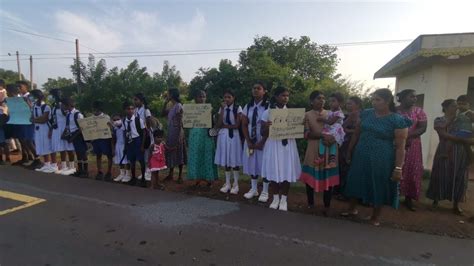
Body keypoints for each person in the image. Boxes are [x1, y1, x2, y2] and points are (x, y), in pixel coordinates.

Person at [343, 88, 411, 226]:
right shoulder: (367, 114)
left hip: (382, 157)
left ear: (387, 101)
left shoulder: (397, 120)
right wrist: (350, 151)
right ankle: (352, 209)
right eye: (373, 99)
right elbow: (356, 134)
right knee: (355, 179)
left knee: (378, 183)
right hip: (361, 153)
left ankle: (375, 216)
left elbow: (400, 146)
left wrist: (398, 167)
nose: (374, 102)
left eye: (377, 100)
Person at [426, 99, 471, 215]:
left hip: (461, 152)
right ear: (445, 107)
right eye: (453, 106)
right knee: (441, 174)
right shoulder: (439, 120)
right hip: (444, 150)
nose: (456, 108)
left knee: (460, 176)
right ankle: (435, 201)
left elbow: (469, 132)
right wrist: (463, 139)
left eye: (456, 106)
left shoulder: (463, 120)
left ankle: (456, 205)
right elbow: (443, 134)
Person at [261, 86, 301, 211]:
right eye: (283, 95)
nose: (285, 98)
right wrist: (267, 126)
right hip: (273, 145)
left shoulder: (293, 113)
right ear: (276, 97)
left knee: (286, 171)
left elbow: (298, 132)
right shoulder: (268, 112)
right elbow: (262, 133)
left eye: (287, 96)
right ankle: (275, 198)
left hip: (288, 145)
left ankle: (284, 199)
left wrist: (300, 125)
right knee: (273, 171)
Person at [299, 91, 339, 215]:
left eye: (323, 98)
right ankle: (311, 203)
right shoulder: (306, 115)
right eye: (318, 98)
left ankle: (327, 205)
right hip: (313, 148)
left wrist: (333, 138)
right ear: (311, 101)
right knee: (310, 178)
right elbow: (306, 134)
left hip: (330, 149)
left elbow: (339, 129)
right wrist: (322, 135)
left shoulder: (331, 114)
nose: (321, 100)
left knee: (328, 177)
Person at [396, 89, 427, 211]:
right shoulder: (395, 111)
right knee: (397, 168)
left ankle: (408, 199)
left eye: (415, 97)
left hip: (413, 145)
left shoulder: (419, 111)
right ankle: (392, 197)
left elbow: (423, 128)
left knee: (412, 170)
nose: (414, 99)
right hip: (396, 143)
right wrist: (400, 137)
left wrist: (408, 136)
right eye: (411, 96)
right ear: (402, 98)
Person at [242, 82, 271, 202]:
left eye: (258, 88)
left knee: (264, 164)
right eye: (253, 88)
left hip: (264, 139)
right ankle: (254, 189)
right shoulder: (248, 106)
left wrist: (262, 141)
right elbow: (244, 124)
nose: (255, 90)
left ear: (264, 91)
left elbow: (270, 125)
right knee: (252, 163)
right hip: (250, 139)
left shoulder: (269, 106)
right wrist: (248, 140)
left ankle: (265, 190)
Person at [186, 90, 218, 188]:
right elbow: (186, 123)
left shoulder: (209, 109)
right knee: (196, 155)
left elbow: (214, 124)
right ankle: (198, 178)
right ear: (196, 98)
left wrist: (213, 136)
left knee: (207, 155)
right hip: (195, 135)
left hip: (206, 135)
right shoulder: (190, 109)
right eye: (200, 96)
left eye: (204, 96)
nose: (202, 98)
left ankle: (209, 179)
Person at [215, 89, 243, 194]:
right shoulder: (222, 108)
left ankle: (236, 184)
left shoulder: (237, 108)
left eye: (229, 97)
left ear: (233, 98)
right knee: (226, 159)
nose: (226, 99)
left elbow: (237, 125)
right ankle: (227, 183)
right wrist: (222, 110)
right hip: (223, 136)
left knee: (234, 159)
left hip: (234, 136)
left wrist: (225, 126)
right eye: (225, 97)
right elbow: (218, 124)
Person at [337, 96, 362, 197]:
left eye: (350, 103)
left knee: (346, 166)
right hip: (355, 141)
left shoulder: (354, 114)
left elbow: (343, 127)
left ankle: (344, 192)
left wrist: (351, 131)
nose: (348, 106)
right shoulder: (363, 114)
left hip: (350, 142)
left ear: (358, 105)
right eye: (347, 104)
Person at [48, 89, 76, 175]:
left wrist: (59, 105)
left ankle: (72, 166)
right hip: (57, 129)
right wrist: (51, 129)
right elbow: (53, 118)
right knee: (61, 148)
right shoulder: (53, 106)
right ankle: (64, 166)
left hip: (65, 128)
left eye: (53, 96)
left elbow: (66, 114)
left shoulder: (64, 104)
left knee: (69, 148)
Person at [162, 88, 187, 184]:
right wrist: (165, 103)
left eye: (168, 94)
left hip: (177, 131)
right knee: (171, 152)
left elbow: (180, 121)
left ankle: (180, 175)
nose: (167, 95)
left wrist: (179, 134)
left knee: (179, 151)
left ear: (172, 95)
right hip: (171, 131)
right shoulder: (171, 106)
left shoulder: (179, 106)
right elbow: (163, 113)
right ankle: (171, 174)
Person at [14, 81, 41, 169]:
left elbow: (34, 107)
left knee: (29, 140)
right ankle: (28, 157)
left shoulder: (30, 96)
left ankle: (38, 159)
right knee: (23, 140)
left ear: (26, 87)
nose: (18, 88)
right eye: (17, 87)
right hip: (22, 120)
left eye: (20, 86)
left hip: (29, 121)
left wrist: (26, 102)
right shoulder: (19, 97)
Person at [315, 92, 345, 169]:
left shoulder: (339, 113)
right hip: (329, 129)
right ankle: (321, 157)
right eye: (330, 101)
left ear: (340, 103)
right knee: (322, 141)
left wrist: (322, 119)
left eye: (333, 101)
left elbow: (330, 122)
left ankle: (332, 161)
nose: (331, 103)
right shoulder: (331, 111)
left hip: (335, 130)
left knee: (332, 144)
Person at [62, 97, 89, 178]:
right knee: (78, 153)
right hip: (72, 136)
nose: (63, 107)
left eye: (64, 105)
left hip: (78, 136)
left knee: (82, 153)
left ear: (69, 105)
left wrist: (73, 137)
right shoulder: (68, 114)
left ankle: (85, 171)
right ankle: (80, 170)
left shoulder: (78, 114)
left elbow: (82, 128)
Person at [30, 90, 55, 173]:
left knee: (49, 146)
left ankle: (53, 165)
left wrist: (35, 120)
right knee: (42, 146)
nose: (31, 97)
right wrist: (36, 119)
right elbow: (32, 118)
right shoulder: (34, 106)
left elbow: (44, 119)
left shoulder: (46, 106)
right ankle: (47, 164)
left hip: (46, 128)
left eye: (32, 96)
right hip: (38, 129)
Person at [122, 101, 147, 186]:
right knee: (131, 161)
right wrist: (125, 146)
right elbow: (125, 133)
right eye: (128, 109)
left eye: (132, 109)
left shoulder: (138, 119)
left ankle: (143, 178)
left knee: (141, 160)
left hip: (137, 141)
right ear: (125, 110)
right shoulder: (124, 120)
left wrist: (142, 145)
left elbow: (144, 132)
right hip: (129, 142)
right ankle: (133, 177)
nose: (130, 110)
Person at [90, 101, 113, 181]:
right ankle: (100, 171)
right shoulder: (91, 118)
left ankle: (109, 172)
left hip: (105, 140)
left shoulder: (106, 117)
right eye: (94, 109)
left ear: (99, 109)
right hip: (96, 139)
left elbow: (111, 128)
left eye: (96, 109)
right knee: (98, 155)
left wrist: (110, 126)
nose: (95, 111)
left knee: (109, 155)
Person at [134, 93, 153, 181]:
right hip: (139, 134)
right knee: (142, 154)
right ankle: (144, 171)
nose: (134, 101)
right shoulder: (135, 110)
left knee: (147, 154)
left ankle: (149, 172)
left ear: (141, 101)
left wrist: (147, 132)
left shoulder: (146, 110)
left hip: (146, 134)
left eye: (136, 100)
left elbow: (148, 122)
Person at [111, 114, 131, 182]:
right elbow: (113, 139)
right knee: (120, 160)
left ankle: (128, 175)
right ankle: (122, 173)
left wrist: (126, 147)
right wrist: (113, 148)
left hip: (124, 145)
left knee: (127, 160)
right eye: (114, 120)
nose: (116, 121)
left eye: (117, 119)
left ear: (121, 119)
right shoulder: (115, 128)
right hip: (118, 145)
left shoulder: (124, 127)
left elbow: (127, 138)